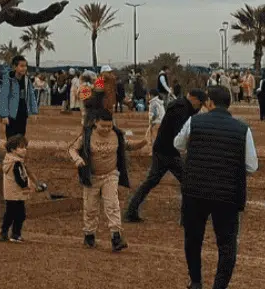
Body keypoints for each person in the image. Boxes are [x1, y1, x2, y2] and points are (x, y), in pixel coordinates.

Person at [175, 85, 259, 289]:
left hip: (196, 189)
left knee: (193, 238)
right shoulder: (243, 128)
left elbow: (178, 144)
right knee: (227, 243)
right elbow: (251, 165)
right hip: (228, 193)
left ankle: (195, 283)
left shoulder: (194, 121)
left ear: (209, 103)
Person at [69, 110, 146, 252]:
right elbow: (72, 149)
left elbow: (128, 145)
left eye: (109, 126)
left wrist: (144, 142)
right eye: (103, 126)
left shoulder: (117, 135)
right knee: (90, 208)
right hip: (92, 178)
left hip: (110, 175)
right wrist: (77, 159)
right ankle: (89, 234)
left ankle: (116, 237)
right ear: (95, 123)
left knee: (113, 205)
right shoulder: (86, 135)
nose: (106, 129)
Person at [125, 89, 205, 223]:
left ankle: (131, 211)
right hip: (168, 151)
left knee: (151, 182)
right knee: (186, 181)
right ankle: (187, 217)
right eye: (200, 104)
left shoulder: (181, 106)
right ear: (195, 99)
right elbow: (178, 133)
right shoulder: (182, 109)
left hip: (164, 150)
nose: (200, 107)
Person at [0, 135, 44, 243]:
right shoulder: (16, 163)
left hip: (11, 193)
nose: (25, 150)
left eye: (25, 147)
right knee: (18, 214)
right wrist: (29, 187)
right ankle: (14, 234)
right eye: (21, 147)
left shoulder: (9, 160)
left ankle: (6, 232)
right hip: (16, 193)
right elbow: (21, 179)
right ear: (13, 149)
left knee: (11, 213)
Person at [0, 55, 39, 138]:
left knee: (21, 135)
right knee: (11, 136)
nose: (24, 68)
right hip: (11, 114)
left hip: (23, 113)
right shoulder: (8, 80)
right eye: (22, 66)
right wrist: (4, 115)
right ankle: (10, 150)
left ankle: (18, 149)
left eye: (25, 66)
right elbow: (3, 98)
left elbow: (31, 96)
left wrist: (34, 112)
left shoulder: (27, 80)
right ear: (15, 67)